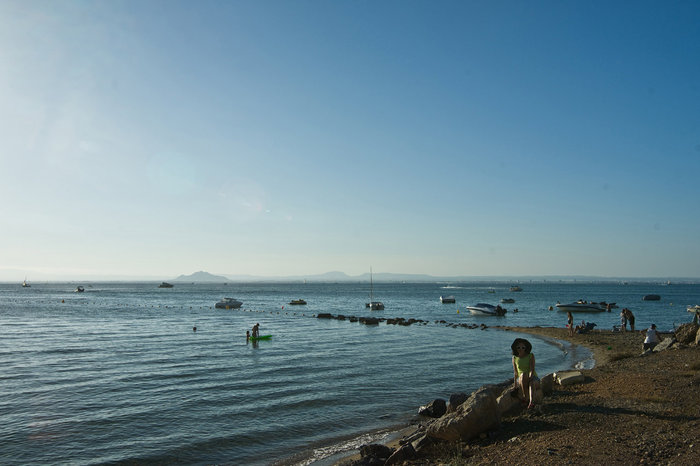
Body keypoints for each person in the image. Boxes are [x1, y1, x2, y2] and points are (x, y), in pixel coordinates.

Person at [511, 338, 540, 409]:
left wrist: (530, 377)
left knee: (531, 383)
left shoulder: (531, 355)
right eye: (518, 347)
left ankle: (531, 402)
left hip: (532, 377)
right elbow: (515, 372)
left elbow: (531, 369)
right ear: (515, 348)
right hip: (521, 378)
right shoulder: (514, 358)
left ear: (526, 348)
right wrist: (515, 385)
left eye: (523, 347)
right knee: (523, 375)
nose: (521, 349)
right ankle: (526, 397)